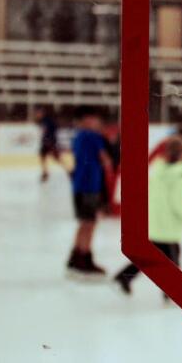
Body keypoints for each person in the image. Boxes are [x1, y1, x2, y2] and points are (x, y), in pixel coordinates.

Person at [114, 135, 182, 297]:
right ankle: (172, 290)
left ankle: (125, 277)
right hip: (168, 226)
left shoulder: (157, 169)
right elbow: (177, 203)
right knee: (172, 259)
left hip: (154, 222)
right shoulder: (179, 175)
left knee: (151, 257)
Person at [67, 105, 112, 276]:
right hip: (90, 185)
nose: (97, 122)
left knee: (84, 222)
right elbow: (105, 159)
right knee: (90, 222)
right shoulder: (93, 136)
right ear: (86, 120)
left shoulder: (78, 136)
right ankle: (84, 257)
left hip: (79, 184)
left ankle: (77, 255)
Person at [35, 106, 63, 182]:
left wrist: (51, 140)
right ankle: (45, 172)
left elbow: (52, 130)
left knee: (56, 157)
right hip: (46, 142)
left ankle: (68, 170)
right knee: (43, 156)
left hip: (50, 142)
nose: (37, 115)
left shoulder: (47, 121)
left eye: (38, 113)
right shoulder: (42, 121)